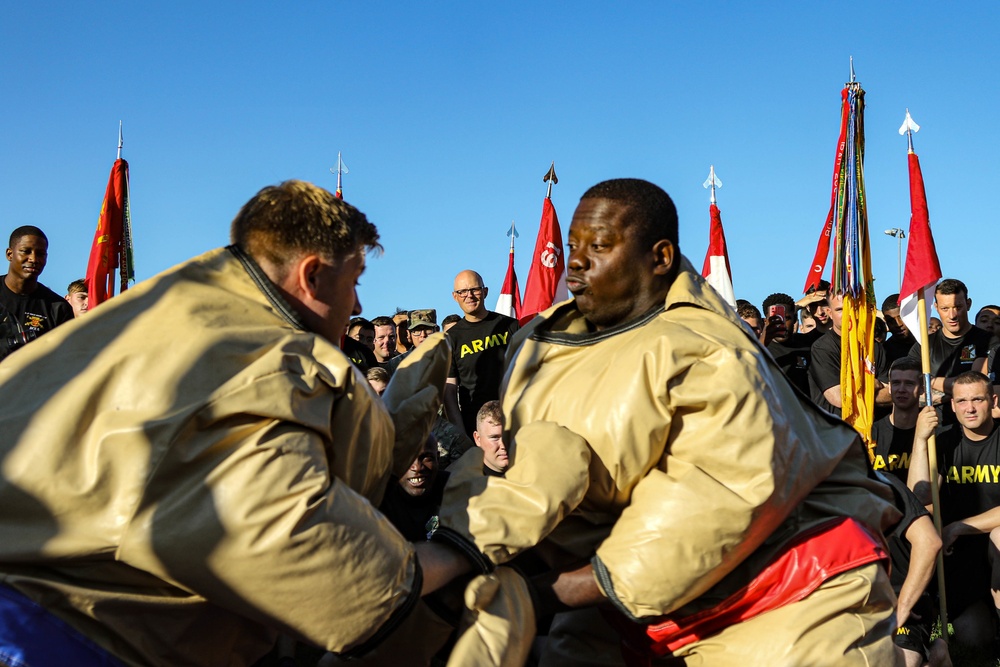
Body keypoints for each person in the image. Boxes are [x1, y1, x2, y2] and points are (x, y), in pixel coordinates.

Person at [423, 178, 901, 666]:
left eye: (600, 246)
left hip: (787, 597)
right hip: (624, 605)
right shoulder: (540, 346)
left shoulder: (714, 352)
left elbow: (712, 504)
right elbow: (532, 471)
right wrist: (453, 557)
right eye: (573, 247)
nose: (577, 262)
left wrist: (536, 594)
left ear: (660, 258)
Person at [0, 180, 455, 666]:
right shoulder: (268, 364)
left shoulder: (162, 308)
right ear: (313, 275)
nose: (358, 307)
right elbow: (325, 570)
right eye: (355, 281)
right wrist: (465, 546)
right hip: (70, 638)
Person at [909, 371, 1000, 655]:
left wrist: (958, 526)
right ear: (952, 406)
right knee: (974, 640)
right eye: (961, 401)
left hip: (992, 544)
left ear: (993, 400)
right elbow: (919, 495)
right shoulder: (944, 444)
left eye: (977, 399)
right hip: (960, 557)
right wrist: (920, 439)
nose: (969, 408)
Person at [908, 279, 998, 423]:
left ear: (968, 304)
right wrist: (952, 391)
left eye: (958, 307)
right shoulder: (923, 345)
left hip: (977, 427)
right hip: (938, 430)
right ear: (936, 307)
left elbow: (974, 386)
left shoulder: (988, 341)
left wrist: (929, 382)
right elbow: (907, 392)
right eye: (945, 308)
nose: (952, 315)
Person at [443, 270, 519, 436]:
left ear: (485, 292)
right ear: (455, 296)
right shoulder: (450, 339)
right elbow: (449, 392)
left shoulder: (511, 327)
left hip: (514, 422)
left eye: (474, 290)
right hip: (476, 430)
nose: (469, 296)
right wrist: (461, 436)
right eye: (462, 292)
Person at [808, 291, 890, 416]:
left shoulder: (874, 346)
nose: (847, 313)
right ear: (830, 313)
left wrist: (854, 389)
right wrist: (874, 383)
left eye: (851, 307)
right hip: (835, 428)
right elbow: (840, 398)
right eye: (840, 309)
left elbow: (891, 394)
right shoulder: (823, 348)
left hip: (872, 427)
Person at [1, 226, 73, 359]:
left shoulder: (58, 308)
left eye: (40, 254)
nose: (33, 259)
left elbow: (64, 362)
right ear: (9, 254)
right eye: (25, 251)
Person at [870, 357, 924, 484]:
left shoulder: (932, 436)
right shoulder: (872, 435)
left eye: (909, 384)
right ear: (889, 387)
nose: (901, 389)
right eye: (896, 383)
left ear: (922, 389)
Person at [762, 291, 821, 395]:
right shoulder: (759, 350)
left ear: (795, 320)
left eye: (787, 318)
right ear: (765, 321)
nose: (782, 323)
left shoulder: (809, 342)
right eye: (774, 318)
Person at [473, 400, 507, 476]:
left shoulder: (534, 473)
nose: (503, 446)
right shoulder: (462, 482)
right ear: (478, 439)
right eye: (495, 438)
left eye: (508, 436)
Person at [883, 294, 915, 363]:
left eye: (901, 317)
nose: (898, 324)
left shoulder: (929, 342)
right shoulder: (885, 352)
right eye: (891, 321)